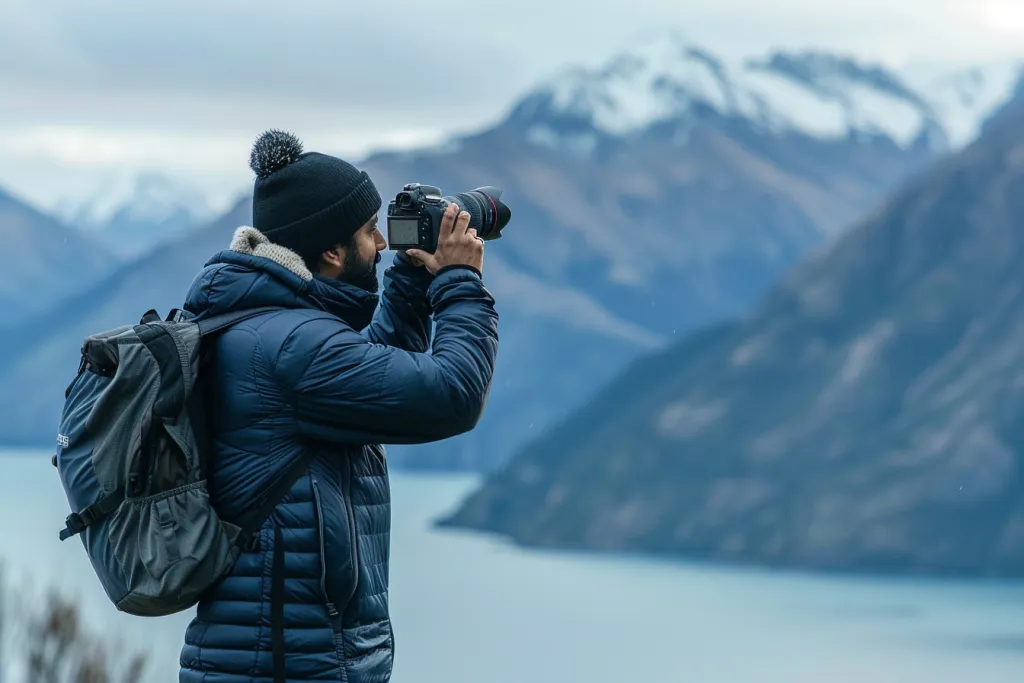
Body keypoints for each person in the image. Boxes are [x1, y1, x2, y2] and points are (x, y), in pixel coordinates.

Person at [178, 130, 499, 683]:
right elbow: (453, 395)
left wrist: (409, 281)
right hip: (290, 664)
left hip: (275, 655)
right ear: (330, 251)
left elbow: (364, 382)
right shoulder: (294, 346)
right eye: (370, 232)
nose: (382, 244)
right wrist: (459, 284)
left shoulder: (265, 326)